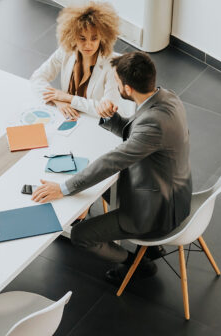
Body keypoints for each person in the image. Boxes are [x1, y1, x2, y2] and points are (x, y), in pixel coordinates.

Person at [32, 51, 191, 283]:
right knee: (101, 185)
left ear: (127, 89)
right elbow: (139, 133)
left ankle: (134, 263)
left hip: (156, 213)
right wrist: (112, 119)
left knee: (80, 235)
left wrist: (64, 188)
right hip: (173, 191)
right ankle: (144, 251)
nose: (115, 87)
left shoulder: (153, 124)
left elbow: (112, 161)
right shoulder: (166, 97)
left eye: (117, 83)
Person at [29, 1, 122, 120]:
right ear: (73, 36)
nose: (88, 45)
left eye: (94, 39)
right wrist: (58, 100)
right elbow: (37, 78)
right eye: (82, 39)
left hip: (95, 122)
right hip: (68, 117)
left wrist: (68, 98)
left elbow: (107, 110)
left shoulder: (113, 64)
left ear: (102, 38)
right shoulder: (65, 52)